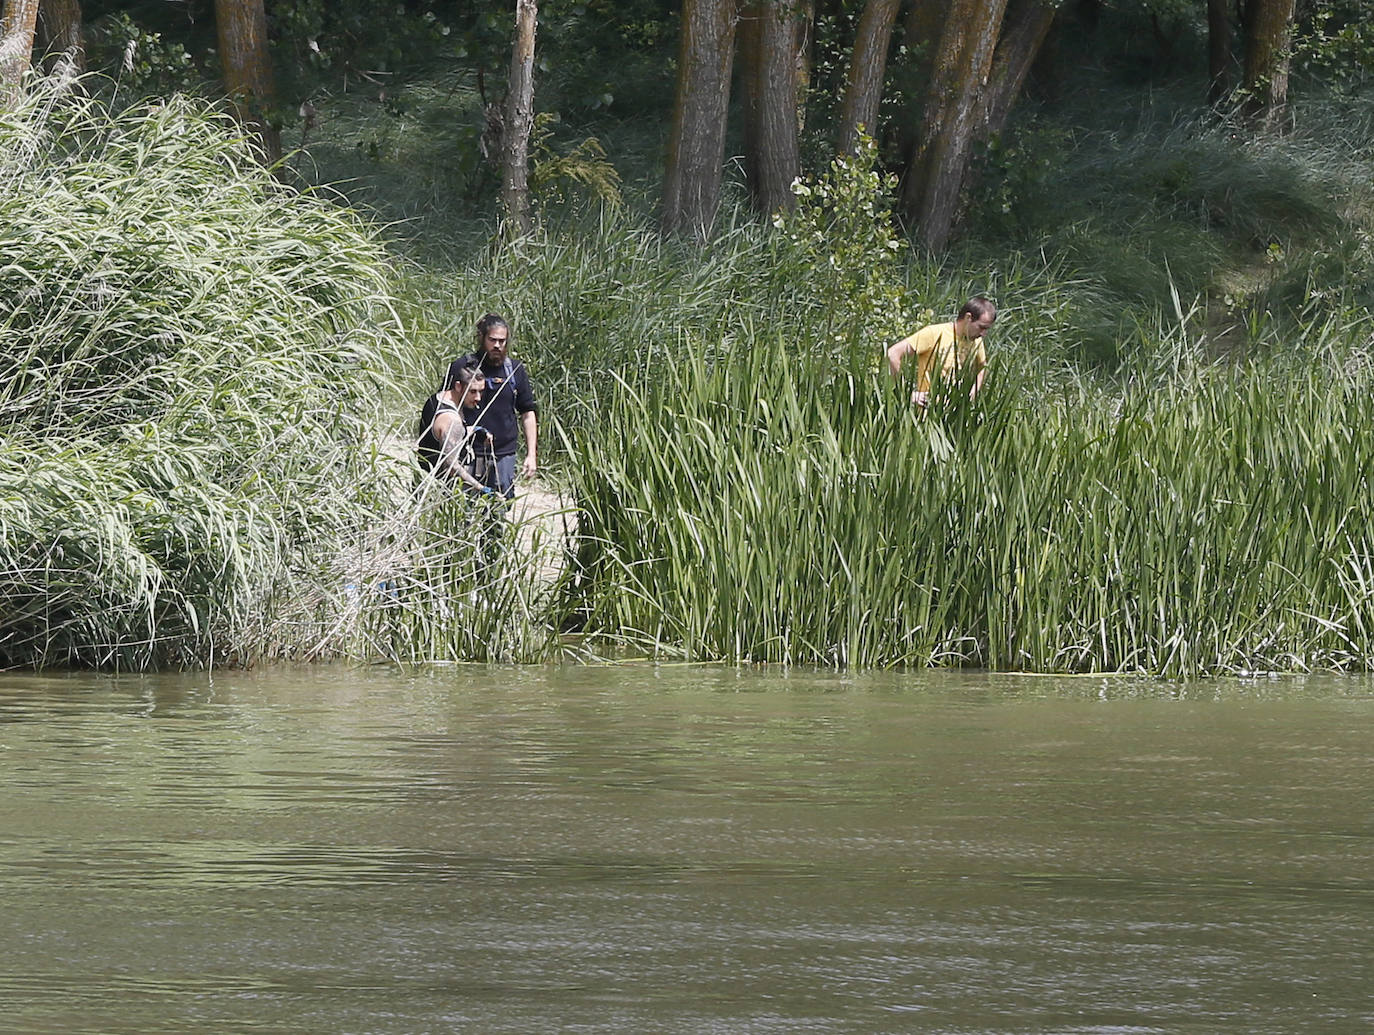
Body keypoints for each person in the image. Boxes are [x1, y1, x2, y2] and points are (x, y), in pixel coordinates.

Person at [459, 313, 538, 500]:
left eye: (502, 341)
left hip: (503, 454)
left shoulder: (515, 371)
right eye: (492, 340)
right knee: (463, 510)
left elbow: (528, 413)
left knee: (499, 511)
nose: (497, 345)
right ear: (481, 338)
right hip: (468, 452)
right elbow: (444, 405)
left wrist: (531, 454)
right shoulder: (463, 367)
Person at [886, 297, 996, 408]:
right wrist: (906, 393)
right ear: (968, 318)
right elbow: (893, 354)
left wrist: (972, 394)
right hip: (927, 414)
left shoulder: (976, 341)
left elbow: (982, 369)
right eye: (981, 327)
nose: (983, 333)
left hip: (954, 417)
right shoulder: (934, 334)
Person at [416, 361, 495, 494]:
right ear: (458, 386)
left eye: (481, 391)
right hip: (437, 492)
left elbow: (439, 436)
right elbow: (452, 466)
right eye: (473, 391)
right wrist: (481, 488)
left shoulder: (437, 399)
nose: (478, 398)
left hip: (422, 480)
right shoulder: (452, 420)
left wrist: (473, 431)